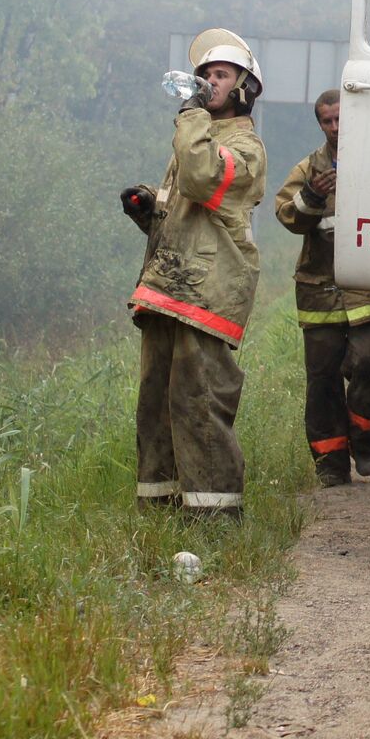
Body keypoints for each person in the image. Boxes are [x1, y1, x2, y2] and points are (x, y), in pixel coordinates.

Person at [120, 29, 267, 519]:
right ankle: (158, 513)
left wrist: (190, 114)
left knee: (199, 403)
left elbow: (204, 179)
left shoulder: (245, 146)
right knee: (155, 405)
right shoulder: (197, 136)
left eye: (220, 74)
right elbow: (185, 212)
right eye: (203, 74)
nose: (206, 82)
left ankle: (215, 519)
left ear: (244, 87)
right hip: (167, 290)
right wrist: (147, 207)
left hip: (207, 296)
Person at [274, 89, 370, 487]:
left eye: (340, 119)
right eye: (327, 121)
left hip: (368, 287)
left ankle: (362, 437)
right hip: (320, 289)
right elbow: (287, 215)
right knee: (323, 376)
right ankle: (330, 462)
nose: (335, 127)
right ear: (320, 124)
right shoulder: (307, 169)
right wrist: (312, 196)